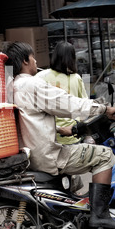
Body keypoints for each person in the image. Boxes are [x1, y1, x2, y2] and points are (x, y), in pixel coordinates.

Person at [4, 42, 115, 229]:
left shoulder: (10, 87)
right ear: (25, 60)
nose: (36, 60)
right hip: (45, 155)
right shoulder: (31, 83)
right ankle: (100, 215)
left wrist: (59, 129)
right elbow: (68, 103)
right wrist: (104, 108)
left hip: (25, 155)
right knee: (104, 155)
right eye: (33, 57)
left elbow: (31, 117)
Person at [36, 41, 88, 193]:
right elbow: (84, 107)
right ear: (72, 58)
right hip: (71, 135)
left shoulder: (41, 76)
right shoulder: (77, 78)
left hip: (48, 135)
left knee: (53, 174)